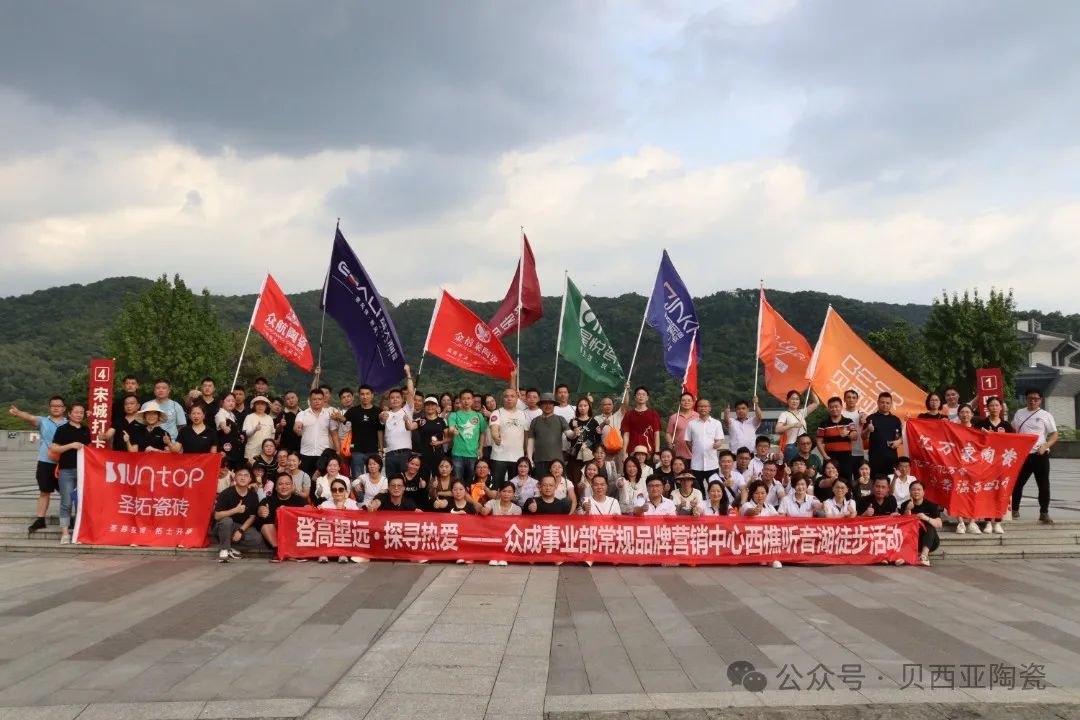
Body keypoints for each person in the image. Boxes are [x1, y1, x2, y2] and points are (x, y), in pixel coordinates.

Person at [9, 396, 67, 534]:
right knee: (44, 491)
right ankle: (40, 519)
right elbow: (30, 417)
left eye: (59, 406)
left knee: (67, 493)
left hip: (65, 463)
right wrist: (18, 413)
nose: (56, 408)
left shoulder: (69, 423)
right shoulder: (43, 421)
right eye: (53, 406)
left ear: (64, 408)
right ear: (49, 408)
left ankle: (67, 520)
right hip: (45, 462)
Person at [1011, 388, 1058, 524]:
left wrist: (1045, 446)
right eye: (1030, 398)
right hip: (1022, 455)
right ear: (1026, 399)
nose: (1032, 401)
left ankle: (1044, 513)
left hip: (1039, 454)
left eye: (1035, 399)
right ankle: (1014, 509)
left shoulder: (1046, 415)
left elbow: (1054, 434)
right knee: (1017, 483)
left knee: (1043, 485)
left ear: (1040, 400)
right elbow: (1013, 430)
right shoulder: (1019, 413)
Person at [48, 402, 89, 543]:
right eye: (76, 412)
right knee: (66, 502)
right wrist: (71, 445)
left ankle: (78, 532)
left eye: (81, 412)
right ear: (70, 414)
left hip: (83, 471)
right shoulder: (62, 429)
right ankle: (65, 533)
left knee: (81, 503)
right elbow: (54, 448)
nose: (79, 415)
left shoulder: (86, 429)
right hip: (66, 470)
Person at [975, 396, 1011, 534]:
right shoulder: (981, 424)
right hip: (986, 464)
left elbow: (1013, 442)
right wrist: (985, 436)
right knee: (987, 492)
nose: (994, 408)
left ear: (1001, 408)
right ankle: (988, 522)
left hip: (1002, 465)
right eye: (991, 405)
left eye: (997, 405)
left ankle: (998, 522)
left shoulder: (1006, 425)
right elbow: (974, 441)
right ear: (987, 408)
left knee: (1000, 492)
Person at [213, 467, 262, 562]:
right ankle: (224, 549)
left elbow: (252, 517)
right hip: (224, 526)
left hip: (239, 526)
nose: (243, 478)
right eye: (240, 475)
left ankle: (229, 547)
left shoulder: (253, 495)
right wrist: (235, 510)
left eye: (246, 476)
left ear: (250, 479)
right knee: (227, 521)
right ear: (235, 478)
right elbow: (217, 516)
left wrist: (240, 531)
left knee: (257, 539)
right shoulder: (226, 493)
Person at [257, 473, 309, 559]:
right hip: (275, 535)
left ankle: (292, 550)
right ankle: (278, 550)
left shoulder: (300, 500)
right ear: (276, 487)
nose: (284, 487)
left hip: (293, 534)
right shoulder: (267, 500)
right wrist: (260, 511)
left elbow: (309, 510)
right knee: (264, 519)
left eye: (287, 484)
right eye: (280, 484)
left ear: (292, 486)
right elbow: (260, 509)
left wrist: (311, 509)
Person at [446, 388, 486, 484]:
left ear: (472, 400)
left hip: (473, 454)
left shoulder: (479, 416)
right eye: (463, 399)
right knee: (458, 481)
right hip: (457, 454)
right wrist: (453, 430)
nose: (466, 401)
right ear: (460, 400)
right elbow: (451, 428)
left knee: (472, 482)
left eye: (468, 398)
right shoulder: (454, 415)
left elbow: (482, 433)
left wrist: (480, 448)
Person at [528, 393, 571, 482]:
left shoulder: (560, 419)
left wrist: (575, 432)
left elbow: (569, 434)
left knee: (558, 484)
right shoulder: (535, 421)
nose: (548, 406)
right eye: (545, 403)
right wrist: (529, 458)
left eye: (550, 403)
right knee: (540, 484)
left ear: (554, 405)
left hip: (556, 461)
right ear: (541, 405)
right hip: (539, 459)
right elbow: (530, 441)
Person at [317, 477, 361, 563]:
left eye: (341, 490)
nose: (337, 492)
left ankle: (343, 552)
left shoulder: (352, 503)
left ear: (346, 491)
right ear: (331, 492)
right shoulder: (325, 504)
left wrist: (345, 511)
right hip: (330, 534)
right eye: (334, 490)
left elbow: (358, 517)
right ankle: (323, 552)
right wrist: (318, 512)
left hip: (346, 533)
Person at [489, 388, 528, 484]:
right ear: (502, 398)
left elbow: (526, 434)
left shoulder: (523, 414)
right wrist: (496, 437)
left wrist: (526, 451)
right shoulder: (497, 413)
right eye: (506, 396)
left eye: (512, 396)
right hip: (499, 457)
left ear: (517, 398)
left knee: (515, 486)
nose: (509, 399)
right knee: (497, 485)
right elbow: (494, 429)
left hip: (517, 457)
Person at [684, 398, 724, 491]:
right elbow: (688, 441)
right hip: (696, 464)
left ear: (710, 408)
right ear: (697, 408)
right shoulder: (691, 424)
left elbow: (719, 440)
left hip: (712, 463)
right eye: (700, 406)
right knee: (698, 489)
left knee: (715, 488)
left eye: (705, 406)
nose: (703, 408)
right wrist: (695, 451)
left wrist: (718, 444)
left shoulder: (716, 423)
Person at [815, 396, 858, 481]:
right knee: (830, 481)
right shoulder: (823, 424)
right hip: (830, 458)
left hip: (846, 458)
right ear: (828, 409)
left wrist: (848, 434)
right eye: (831, 407)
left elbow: (855, 436)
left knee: (846, 481)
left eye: (836, 406)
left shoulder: (848, 421)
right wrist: (825, 456)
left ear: (841, 407)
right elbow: (818, 442)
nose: (834, 409)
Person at [863, 392, 904, 479]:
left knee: (892, 481)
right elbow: (863, 437)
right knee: (875, 482)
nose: (885, 405)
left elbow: (902, 437)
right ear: (878, 402)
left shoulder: (896, 420)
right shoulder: (871, 418)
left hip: (892, 458)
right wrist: (868, 430)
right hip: (875, 458)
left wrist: (899, 441)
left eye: (887, 403)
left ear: (891, 404)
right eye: (882, 402)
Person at [294, 389, 333, 476]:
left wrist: (337, 450)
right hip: (306, 453)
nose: (317, 401)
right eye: (314, 399)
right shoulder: (302, 414)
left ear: (323, 400)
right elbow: (297, 425)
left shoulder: (329, 415)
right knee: (306, 479)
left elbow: (334, 433)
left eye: (319, 399)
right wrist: (297, 428)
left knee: (322, 480)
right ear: (310, 400)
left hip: (323, 454)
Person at [901, 480, 941, 566]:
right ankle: (905, 555)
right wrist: (907, 510)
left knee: (929, 527)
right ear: (910, 492)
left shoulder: (931, 506)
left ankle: (924, 556)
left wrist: (926, 518)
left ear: (923, 492)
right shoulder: (905, 505)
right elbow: (902, 524)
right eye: (913, 489)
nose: (916, 492)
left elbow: (939, 524)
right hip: (911, 540)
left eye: (919, 489)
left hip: (929, 541)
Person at [775, 390, 820, 463]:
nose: (795, 401)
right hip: (792, 447)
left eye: (797, 399)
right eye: (792, 399)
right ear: (787, 400)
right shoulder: (785, 414)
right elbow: (777, 429)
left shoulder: (801, 413)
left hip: (803, 446)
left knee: (803, 468)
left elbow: (816, 403)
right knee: (792, 468)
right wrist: (793, 425)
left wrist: (811, 389)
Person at [413, 396, 448, 480]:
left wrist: (439, 442)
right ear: (424, 407)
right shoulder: (420, 420)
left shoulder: (442, 420)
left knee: (438, 479)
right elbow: (409, 427)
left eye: (432, 405)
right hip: (424, 454)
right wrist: (406, 420)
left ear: (437, 406)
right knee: (423, 479)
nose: (430, 407)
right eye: (427, 405)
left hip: (438, 454)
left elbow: (448, 438)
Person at [620, 386, 662, 455]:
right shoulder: (629, 415)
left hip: (649, 451)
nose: (641, 396)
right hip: (632, 451)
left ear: (647, 398)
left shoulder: (653, 414)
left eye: (643, 394)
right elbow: (626, 435)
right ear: (635, 397)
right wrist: (624, 452)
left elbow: (656, 434)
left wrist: (657, 452)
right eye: (639, 394)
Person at [568, 397, 599, 484]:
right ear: (577, 407)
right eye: (580, 406)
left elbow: (597, 439)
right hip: (575, 456)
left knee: (589, 480)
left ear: (589, 407)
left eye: (585, 405)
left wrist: (587, 444)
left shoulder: (593, 422)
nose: (583, 408)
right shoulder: (573, 421)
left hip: (588, 456)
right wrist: (574, 432)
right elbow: (568, 438)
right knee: (575, 480)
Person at [841, 389, 866, 480]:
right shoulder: (840, 413)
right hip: (844, 451)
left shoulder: (861, 413)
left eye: (854, 397)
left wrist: (864, 419)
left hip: (858, 451)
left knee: (859, 479)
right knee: (844, 479)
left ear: (857, 400)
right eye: (848, 397)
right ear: (844, 399)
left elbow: (865, 421)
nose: (851, 399)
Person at [665, 391, 696, 460]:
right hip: (678, 454)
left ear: (693, 403)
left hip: (695, 455)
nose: (686, 402)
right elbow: (668, 433)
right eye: (683, 400)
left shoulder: (698, 416)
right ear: (680, 402)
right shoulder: (674, 417)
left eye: (689, 400)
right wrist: (670, 443)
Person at [276, 390, 301, 455]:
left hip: (301, 448)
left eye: (292, 398)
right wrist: (281, 425)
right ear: (285, 401)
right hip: (285, 448)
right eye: (288, 399)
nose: (291, 400)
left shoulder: (303, 413)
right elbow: (277, 431)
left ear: (297, 398)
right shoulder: (282, 414)